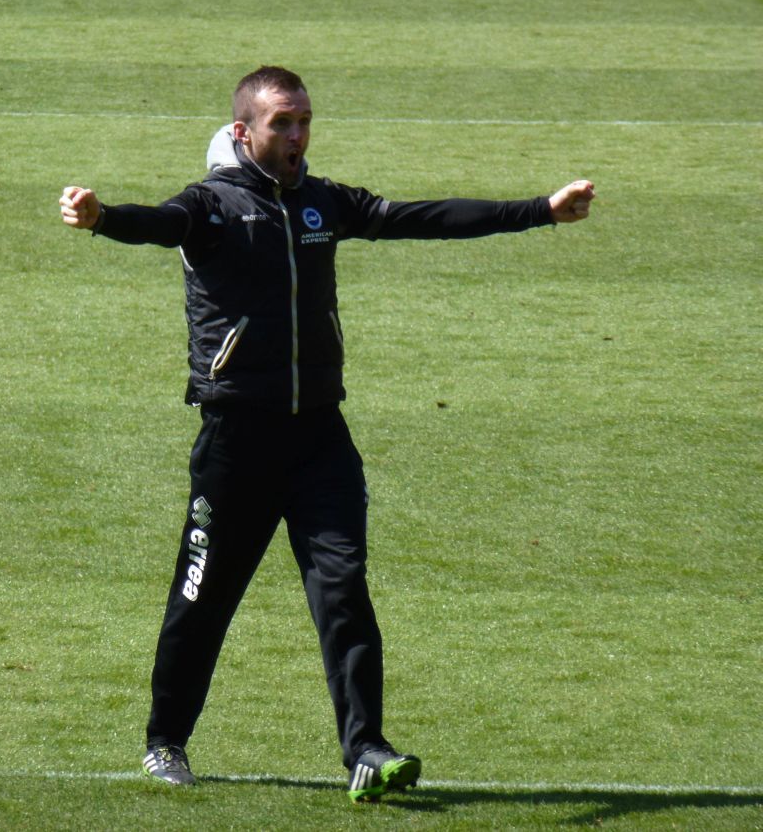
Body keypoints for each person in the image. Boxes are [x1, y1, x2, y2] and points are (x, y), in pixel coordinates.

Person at [58, 65, 594, 803]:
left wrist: (542, 210)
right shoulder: (211, 206)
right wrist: (102, 218)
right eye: (284, 123)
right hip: (237, 443)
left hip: (319, 440)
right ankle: (165, 741)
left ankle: (367, 749)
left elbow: (419, 218)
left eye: (305, 120)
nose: (299, 135)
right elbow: (161, 223)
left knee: (343, 590)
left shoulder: (321, 203)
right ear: (244, 131)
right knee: (203, 596)